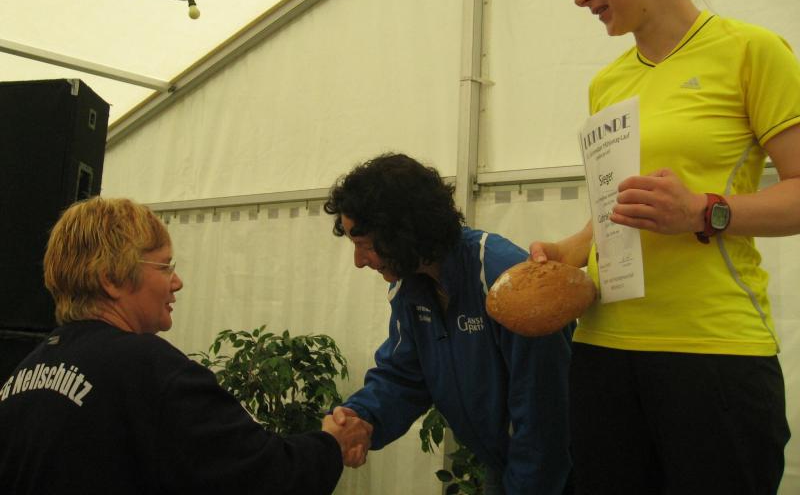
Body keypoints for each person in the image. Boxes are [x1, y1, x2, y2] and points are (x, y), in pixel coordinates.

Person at [530, 0, 800, 493]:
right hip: (603, 352)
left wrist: (705, 210)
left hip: (712, 353)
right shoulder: (607, 84)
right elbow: (616, 210)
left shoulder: (751, 51)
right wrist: (571, 250)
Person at [0, 197, 371, 495]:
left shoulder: (22, 375)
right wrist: (332, 443)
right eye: (164, 267)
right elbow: (267, 476)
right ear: (111, 278)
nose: (176, 282)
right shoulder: (148, 368)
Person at [324, 153, 573, 495]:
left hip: (558, 471)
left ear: (401, 231)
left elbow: (543, 415)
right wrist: (359, 418)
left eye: (364, 245)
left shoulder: (501, 276)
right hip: (506, 463)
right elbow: (404, 376)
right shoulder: (410, 288)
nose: (358, 261)